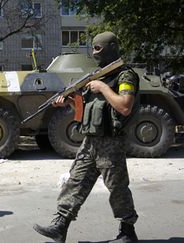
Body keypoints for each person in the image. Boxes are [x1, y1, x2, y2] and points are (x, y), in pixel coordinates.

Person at [33, 31, 139, 243]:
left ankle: (127, 231)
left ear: (111, 47)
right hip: (90, 141)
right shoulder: (96, 76)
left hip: (111, 141)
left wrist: (102, 88)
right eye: (93, 48)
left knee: (117, 187)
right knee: (75, 181)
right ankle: (60, 226)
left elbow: (125, 106)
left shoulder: (125, 76)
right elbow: (84, 111)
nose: (94, 52)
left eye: (98, 48)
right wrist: (68, 102)